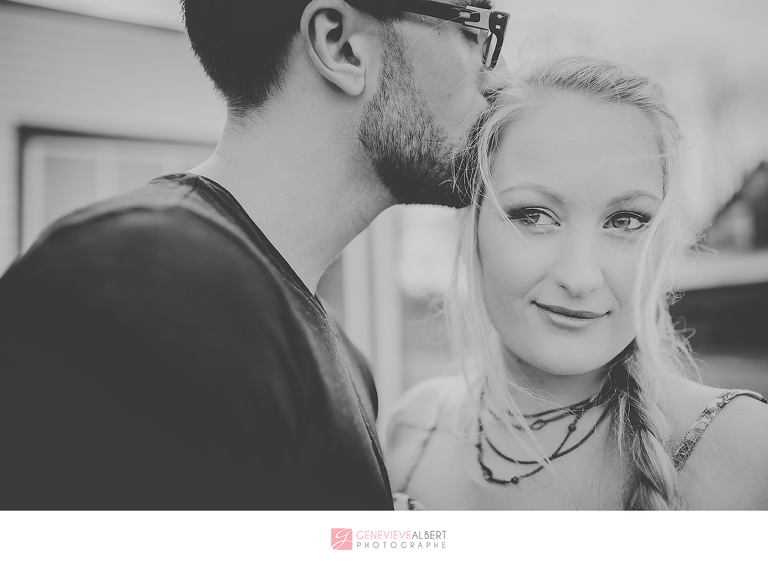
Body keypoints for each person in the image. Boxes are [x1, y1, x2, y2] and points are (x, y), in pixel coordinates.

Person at [0, 0, 509, 509]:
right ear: (341, 45)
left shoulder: (344, 362)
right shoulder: (129, 280)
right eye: (474, 29)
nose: (498, 78)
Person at [385, 56, 768, 510]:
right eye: (534, 216)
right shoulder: (412, 430)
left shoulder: (743, 449)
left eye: (626, 220)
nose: (579, 278)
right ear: (473, 224)